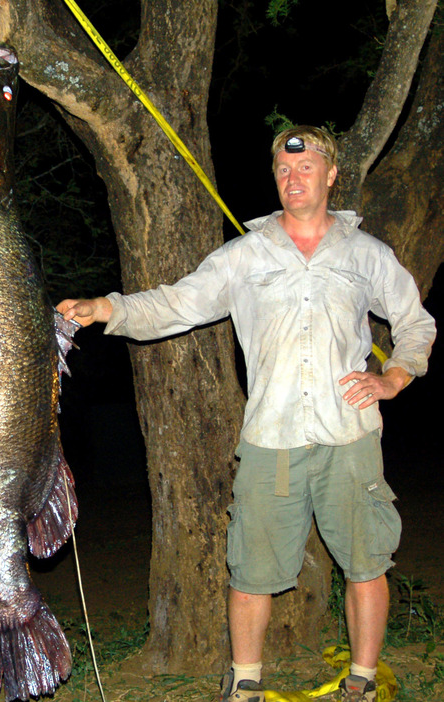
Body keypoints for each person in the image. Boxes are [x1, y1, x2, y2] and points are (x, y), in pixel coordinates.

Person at [57, 126, 436, 702]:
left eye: (307, 168)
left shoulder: (367, 255)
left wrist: (395, 377)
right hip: (272, 440)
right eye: (284, 171)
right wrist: (105, 307)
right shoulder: (246, 255)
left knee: (366, 563)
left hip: (350, 435)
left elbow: (416, 323)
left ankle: (361, 680)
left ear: (331, 176)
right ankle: (246, 684)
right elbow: (176, 302)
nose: (294, 178)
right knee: (251, 569)